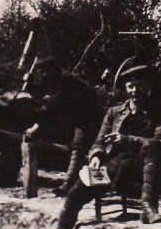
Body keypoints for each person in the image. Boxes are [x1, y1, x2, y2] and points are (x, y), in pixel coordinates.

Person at [31, 64, 161, 229]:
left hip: (143, 166)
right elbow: (98, 142)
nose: (134, 91)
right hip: (114, 167)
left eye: (139, 86)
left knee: (150, 144)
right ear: (126, 89)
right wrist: (96, 157)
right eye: (130, 86)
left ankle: (148, 208)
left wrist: (127, 140)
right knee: (74, 195)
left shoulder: (159, 111)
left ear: (148, 86)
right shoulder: (114, 112)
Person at [23, 57, 102, 195]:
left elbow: (51, 107)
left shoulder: (66, 81)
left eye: (46, 71)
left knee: (78, 147)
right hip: (73, 116)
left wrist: (37, 126)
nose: (44, 74)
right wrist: (29, 83)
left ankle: (68, 184)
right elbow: (41, 95)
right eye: (41, 72)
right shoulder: (54, 80)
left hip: (88, 116)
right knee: (72, 146)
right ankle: (76, 183)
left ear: (54, 68)